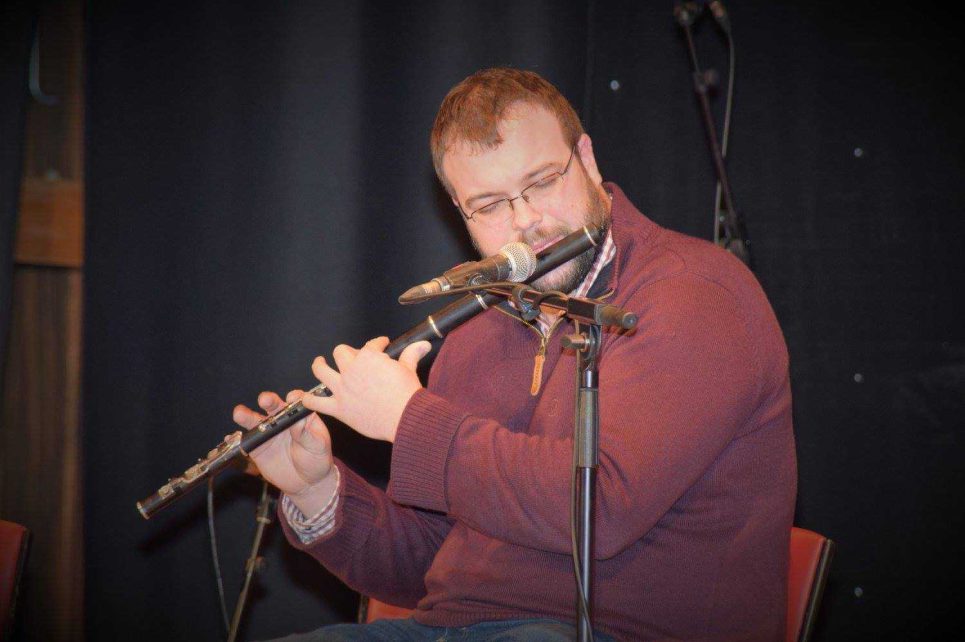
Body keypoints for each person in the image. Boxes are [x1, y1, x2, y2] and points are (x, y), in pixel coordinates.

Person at [233, 68, 797, 641]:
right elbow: (428, 570)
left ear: (587, 159)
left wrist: (410, 420)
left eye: (543, 181)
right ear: (460, 210)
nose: (526, 220)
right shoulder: (477, 330)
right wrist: (317, 490)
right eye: (491, 204)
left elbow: (602, 508)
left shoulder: (693, 293)